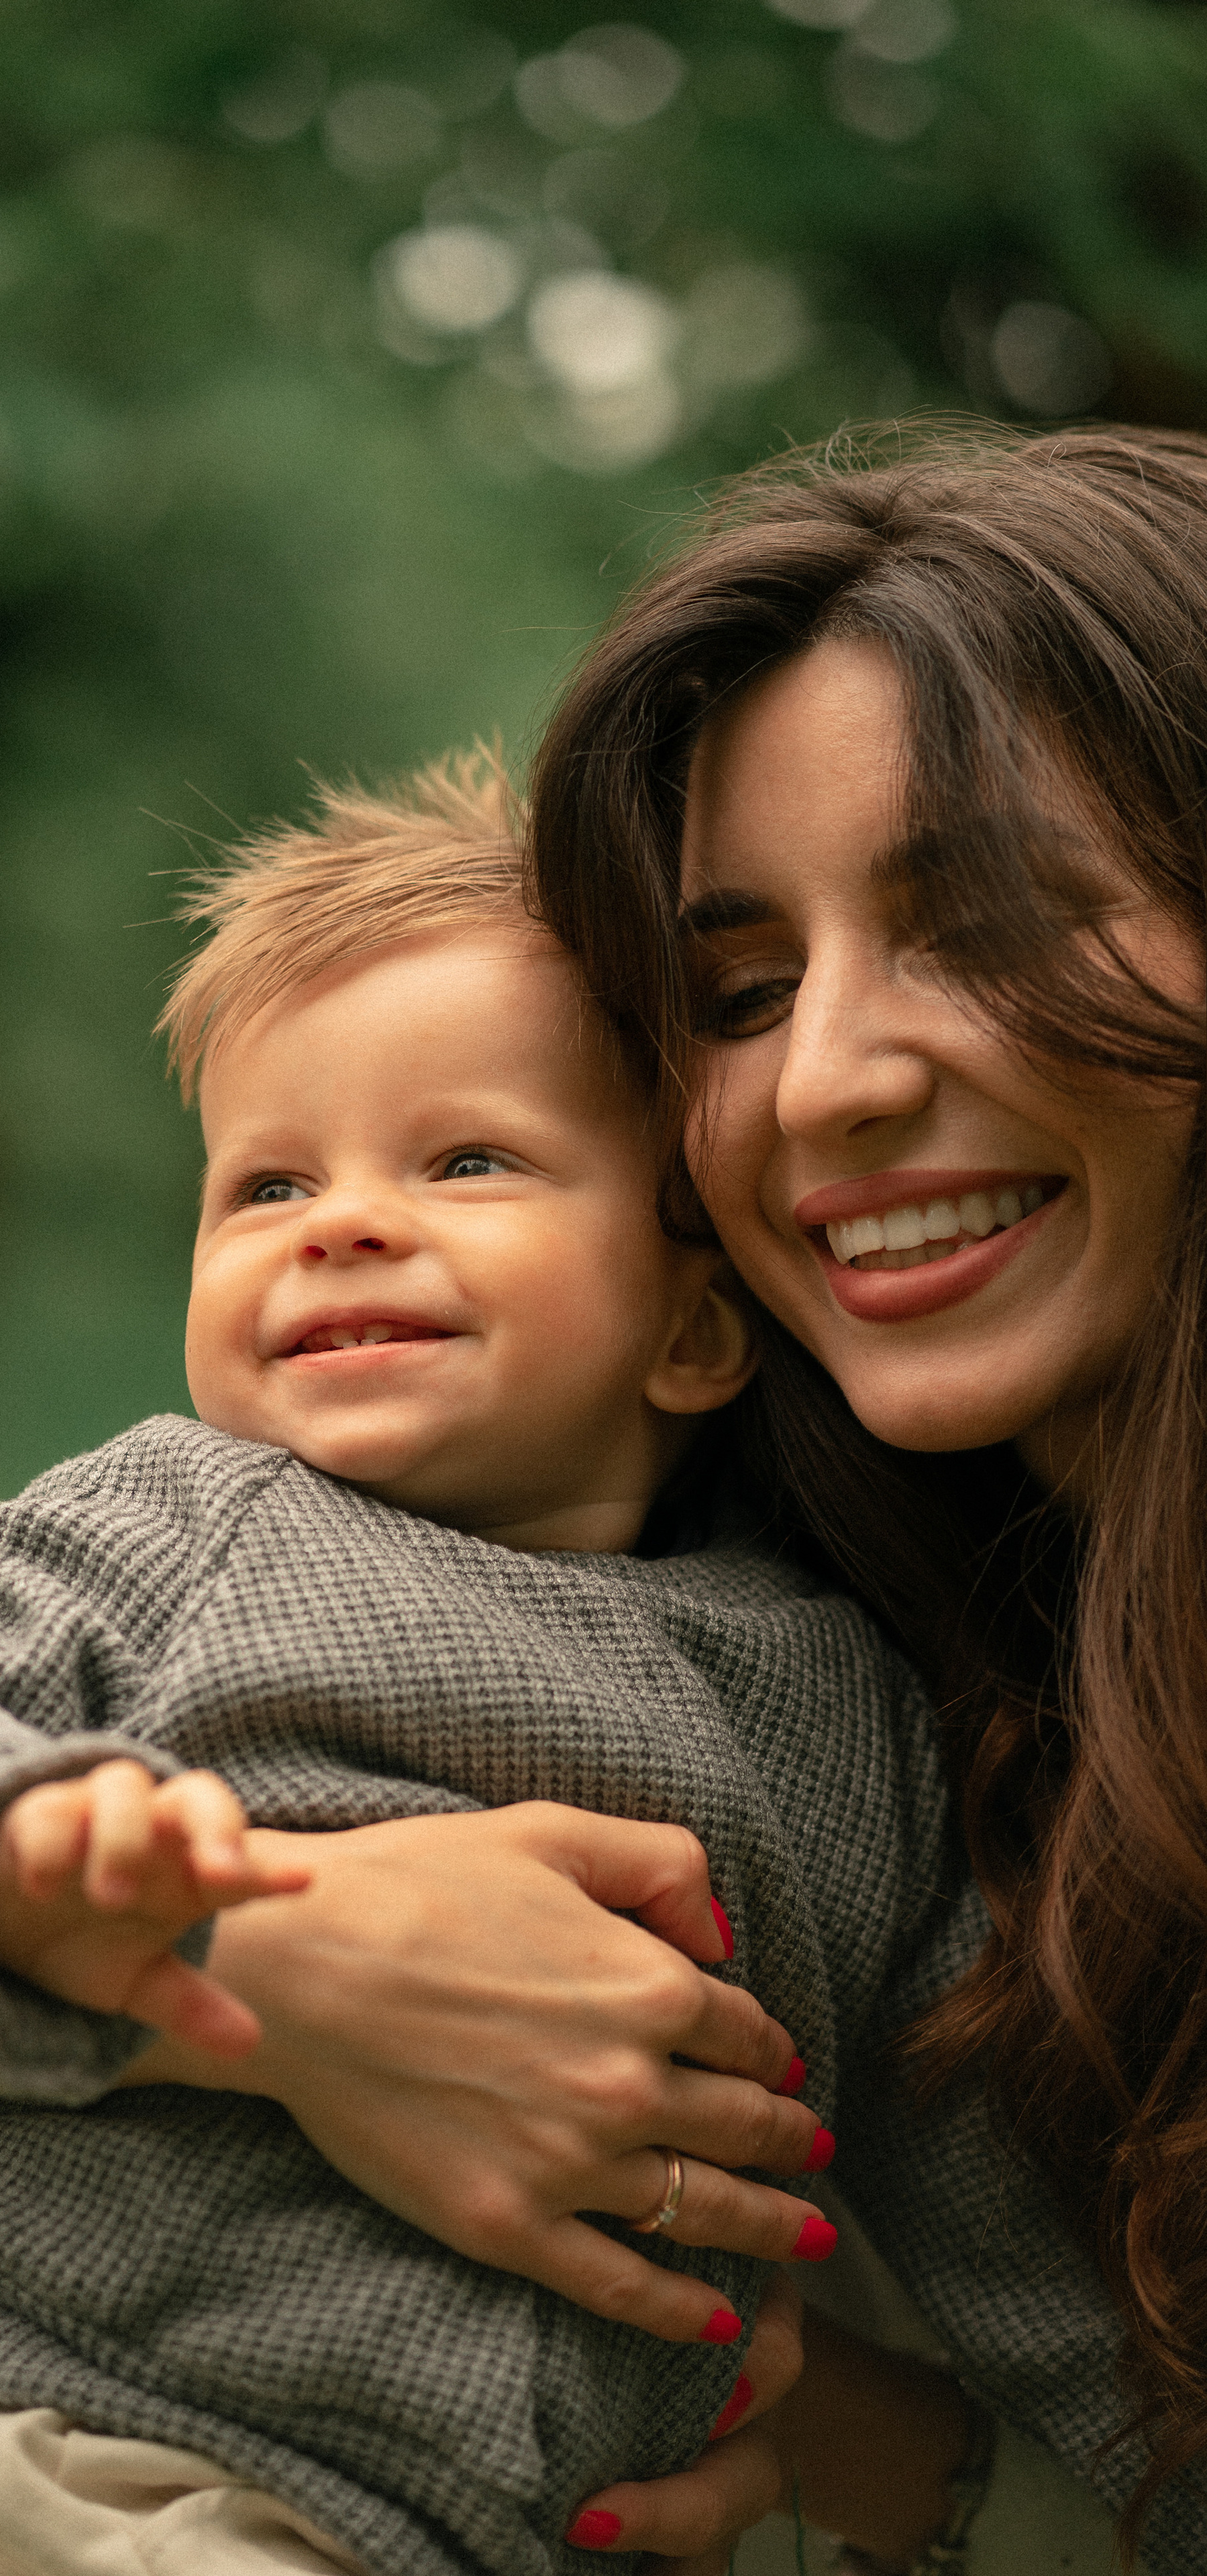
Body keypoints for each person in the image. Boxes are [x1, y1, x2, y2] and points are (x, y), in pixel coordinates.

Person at [0, 754, 935, 2576]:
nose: (339, 1220)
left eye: (467, 1159)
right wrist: (14, 1857)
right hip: (60, 2456)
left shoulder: (837, 1700)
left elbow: (990, 2179)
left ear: (693, 1324)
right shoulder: (177, 1523)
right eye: (264, 1184)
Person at [521, 419, 1207, 2569]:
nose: (824, 1081)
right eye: (741, 992)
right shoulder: (740, 1555)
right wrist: (273, 1965)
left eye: (980, 928)